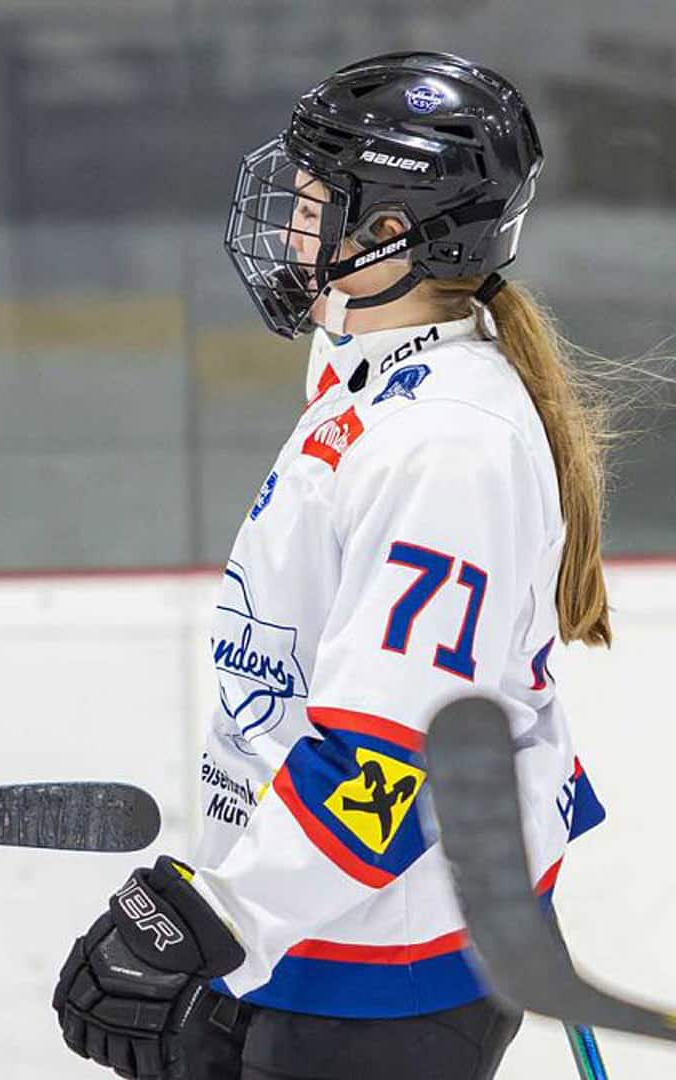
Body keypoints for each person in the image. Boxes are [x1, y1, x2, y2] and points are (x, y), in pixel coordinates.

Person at [51, 52, 612, 1080]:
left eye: (314, 208)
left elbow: (381, 763)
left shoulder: (448, 446)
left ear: (391, 234)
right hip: (318, 934)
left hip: (386, 970)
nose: (290, 231)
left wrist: (219, 919)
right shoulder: (367, 368)